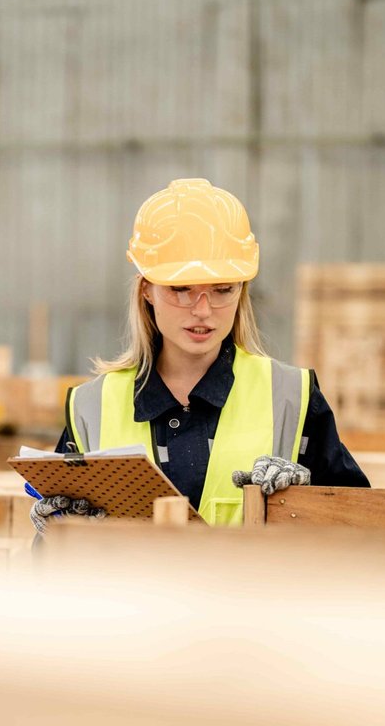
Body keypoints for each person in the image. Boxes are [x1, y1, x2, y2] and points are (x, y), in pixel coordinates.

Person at [35, 178, 367, 531]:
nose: (203, 310)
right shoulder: (92, 407)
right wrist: (55, 532)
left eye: (223, 289)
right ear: (147, 290)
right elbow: (57, 558)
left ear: (242, 290)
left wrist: (308, 500)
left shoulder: (291, 397)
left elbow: (362, 530)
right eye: (181, 289)